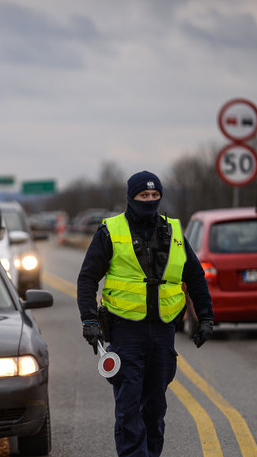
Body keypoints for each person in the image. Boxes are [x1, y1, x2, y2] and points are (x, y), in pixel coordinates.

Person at [76, 170, 214, 457]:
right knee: (129, 409)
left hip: (163, 333)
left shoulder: (174, 232)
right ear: (131, 198)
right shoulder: (111, 231)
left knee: (155, 410)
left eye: (155, 195)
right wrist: (89, 320)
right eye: (143, 195)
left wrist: (206, 316)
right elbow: (87, 278)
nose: (150, 200)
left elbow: (196, 277)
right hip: (127, 333)